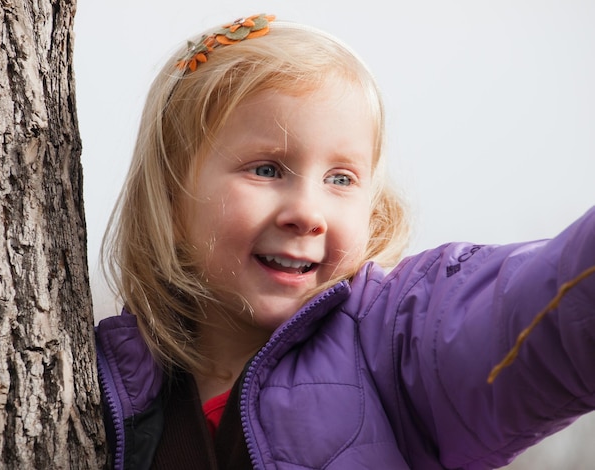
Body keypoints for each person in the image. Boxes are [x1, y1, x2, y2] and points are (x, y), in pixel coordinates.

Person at [94, 13, 595, 470]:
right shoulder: (110, 381)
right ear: (171, 193)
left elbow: (530, 311)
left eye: (341, 179)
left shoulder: (395, 345)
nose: (308, 214)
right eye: (266, 169)